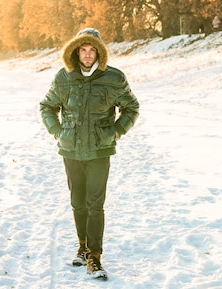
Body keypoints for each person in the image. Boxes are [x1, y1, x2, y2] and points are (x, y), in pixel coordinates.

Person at [39, 28, 140, 280]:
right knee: (78, 202)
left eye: (91, 50)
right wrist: (57, 132)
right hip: (71, 150)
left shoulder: (113, 78)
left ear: (99, 52)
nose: (86, 55)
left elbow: (131, 107)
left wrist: (116, 132)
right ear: (76, 51)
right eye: (82, 50)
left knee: (96, 204)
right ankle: (82, 246)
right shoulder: (64, 77)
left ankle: (95, 256)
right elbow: (47, 106)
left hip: (99, 151)